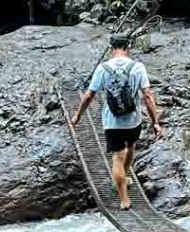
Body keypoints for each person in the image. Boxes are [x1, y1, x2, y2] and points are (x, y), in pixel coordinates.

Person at [70, 34, 165, 210]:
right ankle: (124, 176)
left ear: (111, 49)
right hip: (133, 120)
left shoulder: (103, 68)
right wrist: (156, 122)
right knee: (131, 146)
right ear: (128, 47)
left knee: (117, 158)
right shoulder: (137, 67)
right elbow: (148, 96)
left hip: (112, 121)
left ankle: (124, 199)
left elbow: (89, 95)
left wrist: (78, 115)